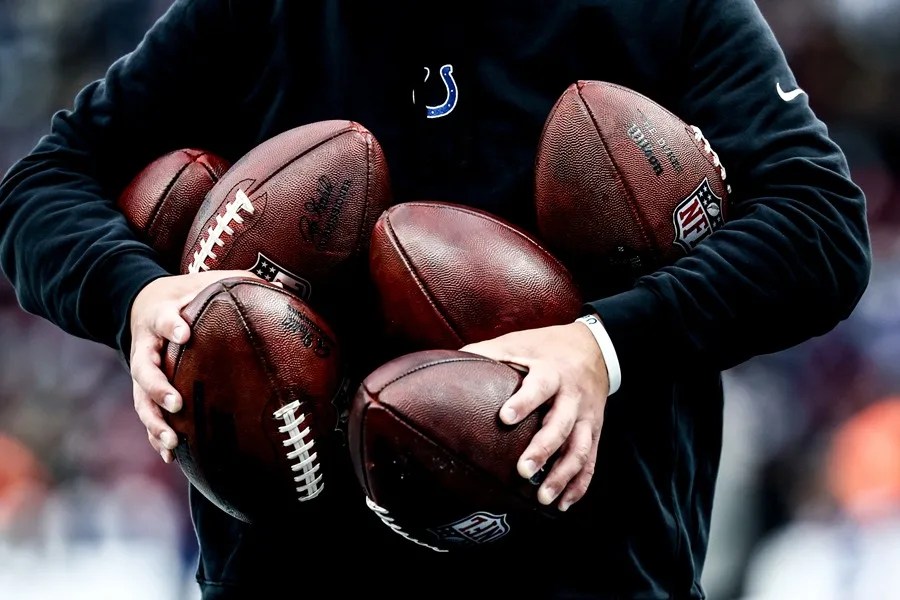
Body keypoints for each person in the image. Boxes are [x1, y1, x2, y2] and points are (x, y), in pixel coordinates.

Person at [0, 1, 871, 598]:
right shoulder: (254, 12)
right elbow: (41, 187)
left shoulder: (658, 9)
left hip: (591, 571)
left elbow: (821, 226)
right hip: (297, 578)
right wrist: (138, 298)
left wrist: (601, 348)